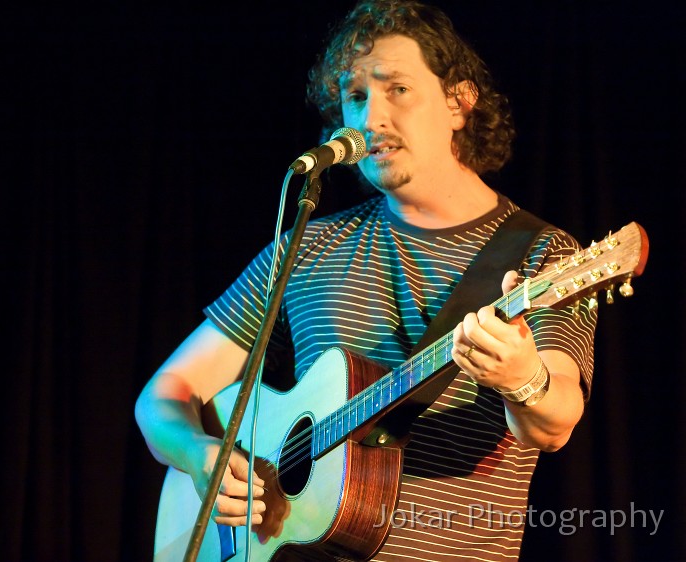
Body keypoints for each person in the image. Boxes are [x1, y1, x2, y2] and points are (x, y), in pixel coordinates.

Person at [135, 1, 596, 560]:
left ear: (459, 102)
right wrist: (201, 458)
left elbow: (553, 425)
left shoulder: (542, 254)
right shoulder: (308, 246)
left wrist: (525, 377)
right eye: (355, 97)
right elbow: (165, 396)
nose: (369, 117)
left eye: (396, 88)